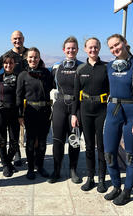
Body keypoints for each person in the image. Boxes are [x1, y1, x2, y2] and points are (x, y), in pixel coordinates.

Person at [103, 34, 133, 205]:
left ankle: (127, 191)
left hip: (132, 114)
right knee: (109, 154)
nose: (115, 49)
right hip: (113, 112)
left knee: (130, 156)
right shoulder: (109, 66)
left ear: (125, 43)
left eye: (117, 44)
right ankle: (116, 186)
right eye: (112, 47)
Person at [0, 30, 45, 166]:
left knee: (29, 128)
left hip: (28, 94)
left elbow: (41, 65)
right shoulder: (7, 55)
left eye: (20, 38)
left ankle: (32, 154)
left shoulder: (29, 53)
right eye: (15, 39)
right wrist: (1, 80)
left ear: (24, 39)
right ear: (11, 40)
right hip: (11, 93)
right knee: (13, 130)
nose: (17, 41)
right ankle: (16, 155)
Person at [71, 37, 109, 193]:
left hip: (102, 111)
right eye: (90, 47)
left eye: (96, 47)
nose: (93, 50)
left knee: (101, 146)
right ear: (85, 49)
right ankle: (90, 178)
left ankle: (101, 180)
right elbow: (75, 95)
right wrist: (74, 114)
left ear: (99, 48)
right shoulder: (80, 69)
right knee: (88, 147)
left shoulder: (107, 68)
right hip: (85, 112)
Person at [48, 36, 83, 184]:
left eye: (73, 48)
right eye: (68, 48)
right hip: (60, 105)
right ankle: (56, 170)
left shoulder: (82, 66)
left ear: (77, 50)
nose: (71, 50)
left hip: (77, 107)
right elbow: (47, 83)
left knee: (74, 140)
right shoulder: (56, 66)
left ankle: (73, 170)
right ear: (64, 50)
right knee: (58, 140)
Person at [16, 47, 53, 180]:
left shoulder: (46, 73)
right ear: (26, 58)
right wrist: (20, 115)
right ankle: (30, 168)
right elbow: (19, 96)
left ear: (39, 58)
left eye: (36, 57)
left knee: (42, 142)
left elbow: (53, 86)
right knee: (31, 142)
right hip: (30, 112)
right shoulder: (23, 75)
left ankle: (40, 166)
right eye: (31, 57)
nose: (33, 59)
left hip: (45, 112)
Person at [0, 53, 20, 177]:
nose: (8, 65)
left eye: (11, 63)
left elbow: (22, 95)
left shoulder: (19, 78)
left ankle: (7, 162)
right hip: (0, 113)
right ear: (3, 65)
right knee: (2, 140)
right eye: (6, 63)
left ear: (14, 64)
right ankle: (6, 166)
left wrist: (21, 114)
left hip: (14, 113)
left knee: (14, 142)